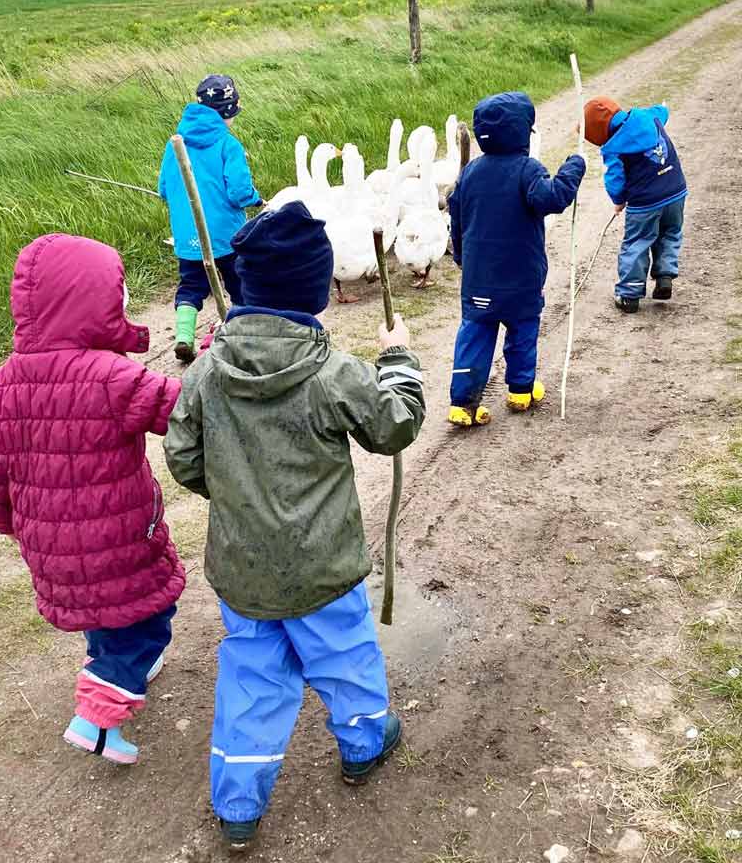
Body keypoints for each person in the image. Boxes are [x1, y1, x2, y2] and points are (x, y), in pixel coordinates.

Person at [164, 200, 425, 852]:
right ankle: (365, 743)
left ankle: (239, 807)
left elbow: (182, 457)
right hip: (324, 570)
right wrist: (398, 361)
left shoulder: (204, 374)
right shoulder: (333, 372)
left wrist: (229, 495)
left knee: (252, 676)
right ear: (317, 296)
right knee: (344, 657)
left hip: (243, 571)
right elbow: (394, 425)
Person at [0, 234, 185, 765]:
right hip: (118, 538)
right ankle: (96, 717)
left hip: (49, 545)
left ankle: (114, 665)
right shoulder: (110, 375)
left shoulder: (5, 382)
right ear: (90, 305)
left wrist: (11, 522)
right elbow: (176, 410)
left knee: (103, 611)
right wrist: (214, 362)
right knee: (148, 615)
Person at [447, 91, 585, 427]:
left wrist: (463, 258)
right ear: (522, 131)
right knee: (523, 328)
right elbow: (552, 199)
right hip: (521, 277)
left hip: (478, 279)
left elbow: (457, 216)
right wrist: (573, 168)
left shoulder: (470, 172)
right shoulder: (528, 170)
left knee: (475, 332)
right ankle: (520, 390)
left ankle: (462, 403)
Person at [159, 73, 263, 364]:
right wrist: (256, 199)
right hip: (227, 235)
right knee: (239, 283)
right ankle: (245, 335)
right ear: (228, 111)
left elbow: (163, 189)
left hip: (187, 235)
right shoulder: (228, 144)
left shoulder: (175, 143)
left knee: (190, 286)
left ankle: (184, 338)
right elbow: (240, 191)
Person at [583, 96, 687, 313]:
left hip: (644, 203)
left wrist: (619, 201)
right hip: (676, 191)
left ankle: (629, 294)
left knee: (638, 242)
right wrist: (663, 106)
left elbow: (615, 180)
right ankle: (665, 276)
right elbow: (662, 111)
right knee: (670, 232)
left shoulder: (614, 148)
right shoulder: (648, 116)